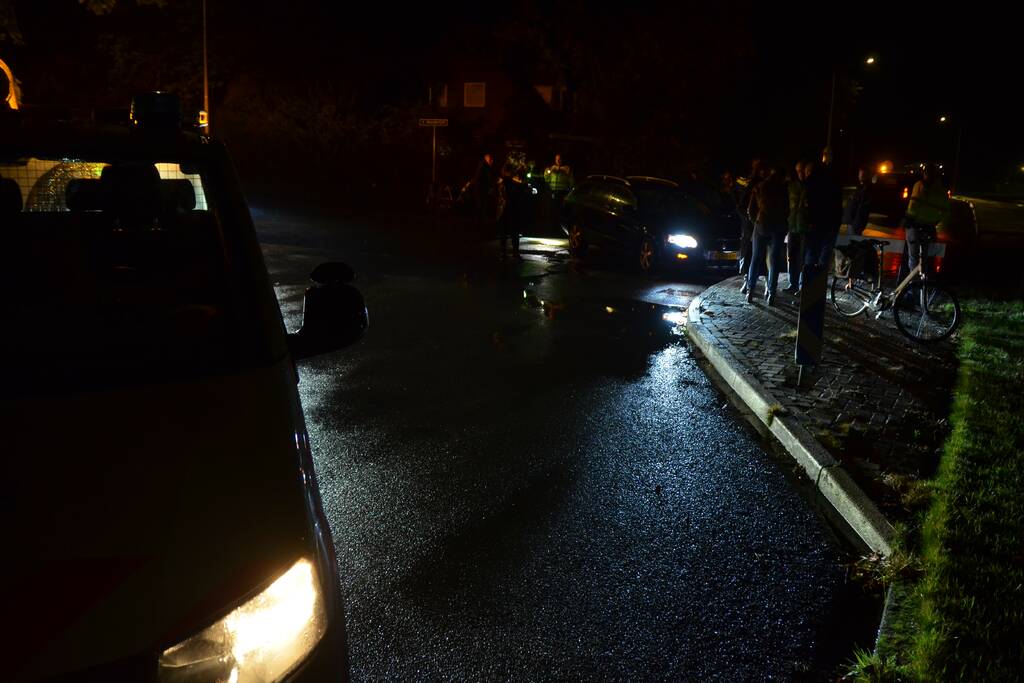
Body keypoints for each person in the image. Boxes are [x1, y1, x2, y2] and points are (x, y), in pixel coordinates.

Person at [745, 163, 789, 306]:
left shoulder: (759, 187)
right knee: (774, 260)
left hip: (761, 226)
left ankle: (750, 290)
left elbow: (750, 210)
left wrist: (756, 221)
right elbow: (787, 210)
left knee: (755, 258)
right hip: (778, 228)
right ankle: (771, 293)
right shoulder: (783, 189)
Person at [802, 157, 843, 283]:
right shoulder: (833, 182)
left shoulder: (809, 183)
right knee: (824, 255)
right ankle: (819, 284)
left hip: (814, 225)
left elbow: (806, 205)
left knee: (811, 254)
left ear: (809, 171)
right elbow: (838, 205)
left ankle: (807, 286)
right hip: (831, 224)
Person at [904, 163, 950, 273]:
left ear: (924, 174)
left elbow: (913, 205)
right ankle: (924, 284)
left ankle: (913, 285)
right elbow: (946, 212)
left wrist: (908, 220)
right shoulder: (941, 190)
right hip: (930, 228)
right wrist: (936, 220)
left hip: (916, 226)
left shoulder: (919, 185)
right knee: (926, 259)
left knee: (913, 257)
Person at [738, 159, 766, 292]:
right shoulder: (753, 185)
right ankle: (749, 281)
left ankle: (750, 282)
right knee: (752, 254)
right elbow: (742, 206)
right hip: (753, 226)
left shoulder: (759, 185)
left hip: (756, 226)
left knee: (753, 254)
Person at [784, 160, 808, 294]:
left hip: (805, 229)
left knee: (804, 258)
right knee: (792, 257)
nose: (800, 173)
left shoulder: (810, 187)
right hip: (792, 227)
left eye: (802, 170)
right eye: (798, 171)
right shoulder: (791, 187)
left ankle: (801, 286)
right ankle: (793, 284)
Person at [498, 167, 526, 260]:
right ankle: (513, 253)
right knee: (512, 232)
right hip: (510, 209)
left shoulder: (506, 182)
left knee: (506, 232)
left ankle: (505, 253)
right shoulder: (512, 183)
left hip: (507, 209)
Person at [843, 166, 873, 236]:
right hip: (853, 221)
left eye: (860, 174)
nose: (858, 176)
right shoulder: (861, 187)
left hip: (855, 223)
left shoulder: (865, 189)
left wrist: (856, 223)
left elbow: (862, 208)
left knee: (852, 239)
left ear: (865, 175)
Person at [473, 152, 498, 229]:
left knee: (481, 206)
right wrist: (492, 185)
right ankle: (480, 224)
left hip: (480, 189)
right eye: (491, 159)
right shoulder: (484, 167)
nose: (492, 161)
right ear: (488, 158)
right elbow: (487, 179)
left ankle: (479, 223)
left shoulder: (482, 166)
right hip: (482, 190)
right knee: (482, 206)